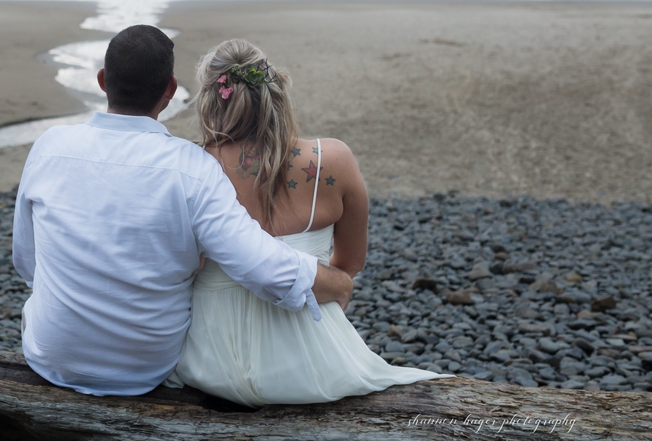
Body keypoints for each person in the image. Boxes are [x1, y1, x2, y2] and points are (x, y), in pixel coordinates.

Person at [12, 25, 355, 396]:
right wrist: (338, 283)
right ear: (170, 91)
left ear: (101, 81)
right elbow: (262, 267)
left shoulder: (49, 147)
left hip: (50, 356)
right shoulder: (191, 168)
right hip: (143, 369)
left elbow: (27, 261)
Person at [167, 39, 449, 407]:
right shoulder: (332, 158)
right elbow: (349, 266)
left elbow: (178, 271)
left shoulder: (188, 165)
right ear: (277, 91)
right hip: (317, 363)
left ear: (208, 100)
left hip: (210, 363)